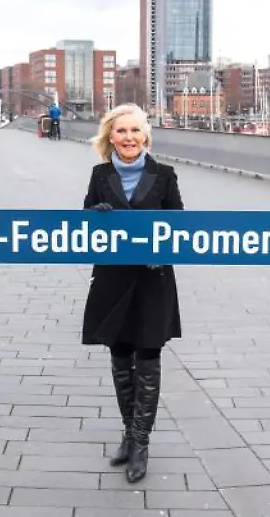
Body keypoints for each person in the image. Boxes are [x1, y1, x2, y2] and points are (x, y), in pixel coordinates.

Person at [81, 103, 183, 483]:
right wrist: (95, 215)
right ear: (111, 136)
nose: (128, 138)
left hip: (152, 282)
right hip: (112, 281)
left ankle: (141, 443)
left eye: (135, 130)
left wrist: (162, 251)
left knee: (149, 358)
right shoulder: (100, 175)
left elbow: (179, 225)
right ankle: (128, 431)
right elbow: (82, 223)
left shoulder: (164, 175)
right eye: (121, 131)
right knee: (120, 358)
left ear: (146, 136)